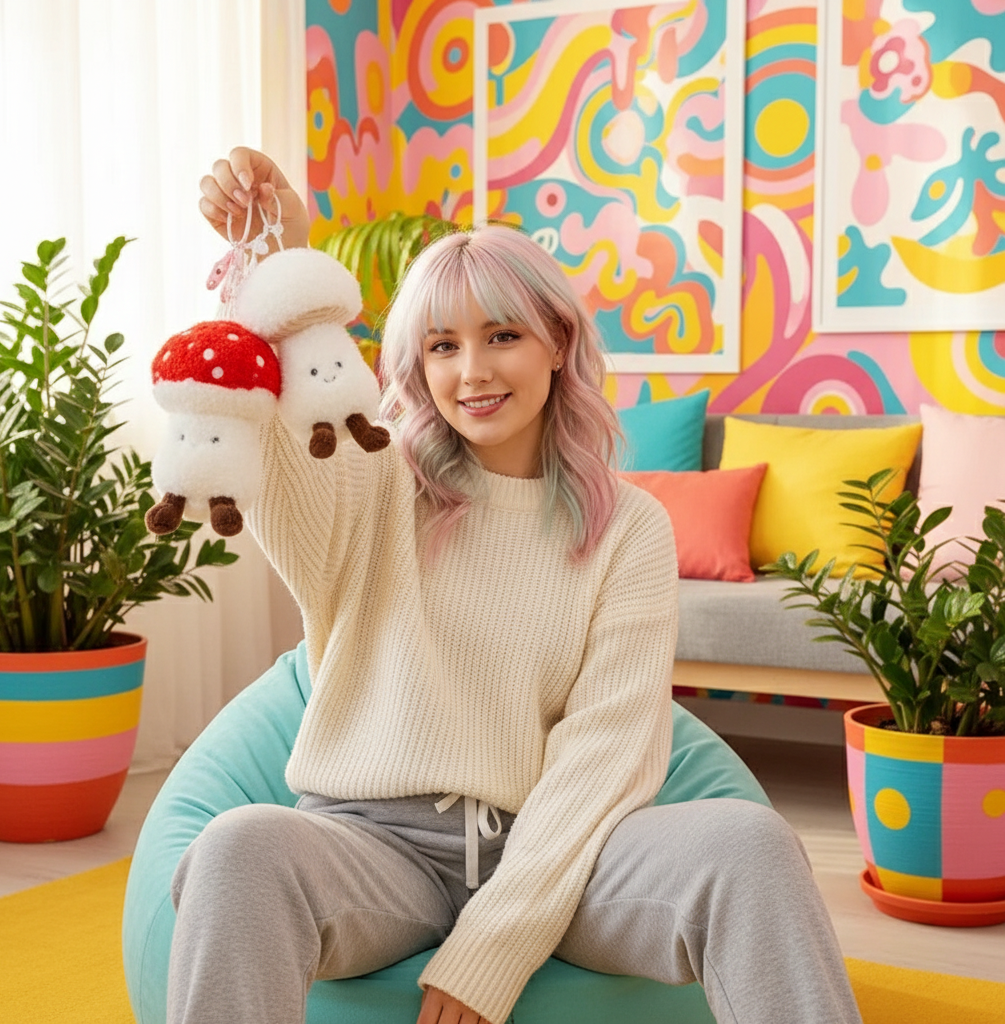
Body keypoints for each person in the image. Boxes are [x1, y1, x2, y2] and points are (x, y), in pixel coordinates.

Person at [168, 147, 864, 1024]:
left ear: (557, 341)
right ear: (415, 365)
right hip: (371, 846)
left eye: (502, 335)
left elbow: (606, 754)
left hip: (560, 852)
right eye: (442, 346)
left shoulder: (630, 526)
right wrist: (280, 254)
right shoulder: (377, 481)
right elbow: (286, 449)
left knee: (751, 841)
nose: (473, 372)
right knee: (236, 847)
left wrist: (492, 943)